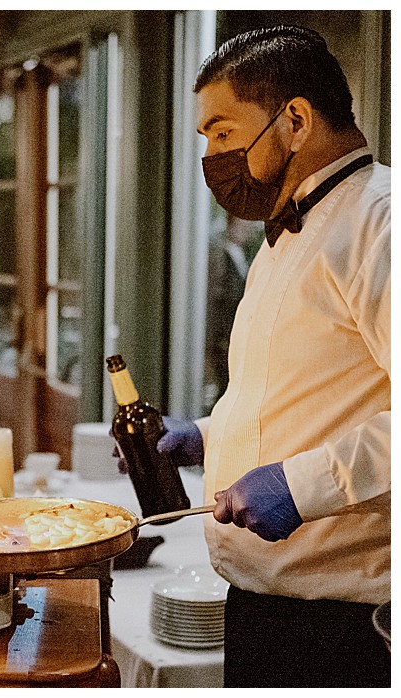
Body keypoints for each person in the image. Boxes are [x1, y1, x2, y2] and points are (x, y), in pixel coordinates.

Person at [134, 25, 388, 687]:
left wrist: (299, 488)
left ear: (296, 119)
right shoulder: (286, 229)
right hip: (265, 604)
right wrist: (210, 438)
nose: (213, 156)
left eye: (223, 133)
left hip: (342, 622)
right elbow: (313, 395)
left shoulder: (381, 224)